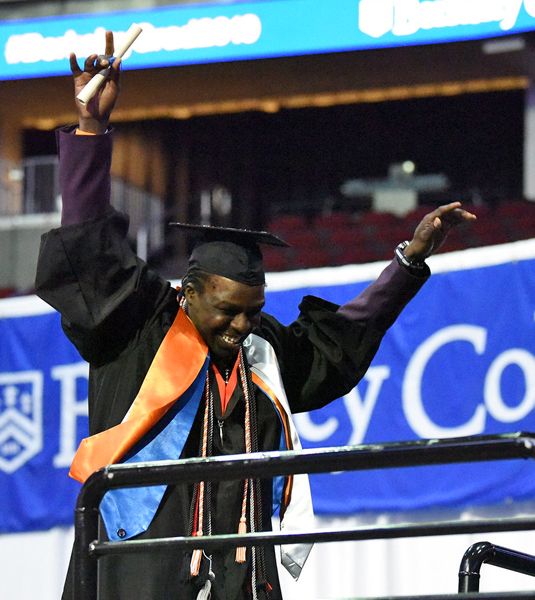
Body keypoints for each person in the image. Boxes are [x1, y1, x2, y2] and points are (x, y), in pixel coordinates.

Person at [34, 32, 476, 600]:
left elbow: (336, 345)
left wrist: (407, 263)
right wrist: (91, 131)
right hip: (136, 573)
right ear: (189, 292)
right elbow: (90, 251)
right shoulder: (138, 324)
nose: (241, 326)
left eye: (253, 312)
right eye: (228, 311)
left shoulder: (260, 351)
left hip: (241, 580)